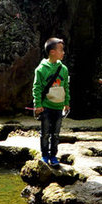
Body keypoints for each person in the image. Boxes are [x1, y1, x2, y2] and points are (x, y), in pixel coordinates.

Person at [32, 37, 70, 167]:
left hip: (58, 106)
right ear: (52, 52)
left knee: (56, 134)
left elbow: (66, 87)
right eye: (61, 50)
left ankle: (54, 156)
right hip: (46, 107)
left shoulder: (63, 69)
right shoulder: (41, 69)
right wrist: (38, 105)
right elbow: (36, 88)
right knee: (45, 133)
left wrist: (67, 102)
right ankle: (44, 155)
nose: (63, 52)